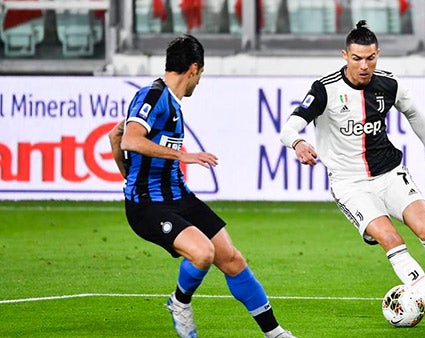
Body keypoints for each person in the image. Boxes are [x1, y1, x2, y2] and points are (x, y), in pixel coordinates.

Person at [280, 20, 425, 329]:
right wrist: (298, 142)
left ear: (377, 54)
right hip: (350, 185)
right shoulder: (325, 89)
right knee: (391, 239)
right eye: (356, 58)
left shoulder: (388, 84)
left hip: (390, 173)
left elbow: (414, 112)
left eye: (370, 58)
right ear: (345, 55)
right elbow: (288, 128)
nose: (364, 66)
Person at [108, 34, 295, 338]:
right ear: (194, 69)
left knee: (231, 258)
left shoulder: (170, 103)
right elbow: (130, 139)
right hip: (148, 205)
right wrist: (180, 157)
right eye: (201, 75)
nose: (199, 82)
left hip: (177, 195)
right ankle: (179, 303)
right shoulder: (153, 96)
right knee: (203, 253)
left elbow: (115, 137)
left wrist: (126, 174)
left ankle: (275, 333)